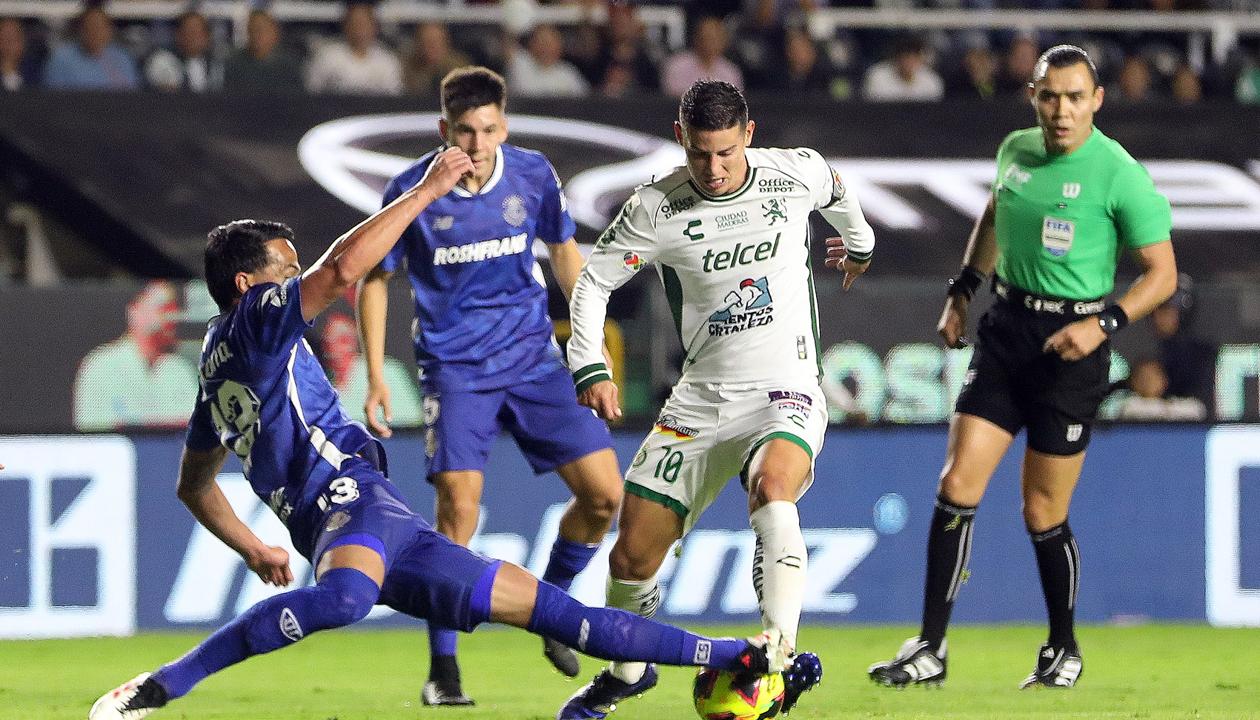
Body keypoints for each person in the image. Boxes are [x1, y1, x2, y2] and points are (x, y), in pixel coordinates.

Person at [88, 151, 807, 720]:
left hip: (373, 519)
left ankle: (743, 655)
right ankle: (158, 688)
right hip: (350, 508)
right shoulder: (259, 318)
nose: (296, 276)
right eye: (285, 267)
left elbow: (194, 483)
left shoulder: (220, 369)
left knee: (566, 618)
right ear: (251, 286)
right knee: (341, 600)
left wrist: (253, 546)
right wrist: (429, 191)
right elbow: (341, 270)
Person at [867, 45, 1177, 690]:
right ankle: (929, 648)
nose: (1061, 111)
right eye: (1049, 97)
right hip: (1007, 330)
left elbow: (1162, 274)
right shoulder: (1015, 151)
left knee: (1042, 512)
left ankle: (1063, 647)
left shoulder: (1119, 174)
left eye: (1074, 97)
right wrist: (963, 288)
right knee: (956, 485)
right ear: (1033, 98)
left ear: (1097, 100)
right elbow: (993, 214)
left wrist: (1103, 325)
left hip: (1073, 345)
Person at [558, 78, 870, 719]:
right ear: (682, 140)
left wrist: (858, 241)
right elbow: (593, 283)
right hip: (699, 400)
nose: (716, 168)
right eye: (701, 154)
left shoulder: (794, 175)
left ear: (748, 135)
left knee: (774, 489)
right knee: (632, 555)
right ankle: (629, 671)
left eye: (727, 152)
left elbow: (838, 191)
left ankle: (777, 660)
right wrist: (590, 364)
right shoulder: (656, 208)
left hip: (785, 388)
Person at [355, 66, 623, 706]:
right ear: (442, 128)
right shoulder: (410, 189)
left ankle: (553, 612)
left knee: (605, 497)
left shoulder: (532, 175)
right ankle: (443, 669)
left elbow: (564, 253)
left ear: (504, 125)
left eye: (490, 130)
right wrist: (373, 376)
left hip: (534, 363)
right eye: (466, 132)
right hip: (455, 372)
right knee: (458, 513)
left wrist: (589, 353)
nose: (479, 145)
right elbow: (374, 277)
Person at [74, 280, 199, 431]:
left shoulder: (181, 371)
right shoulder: (101, 366)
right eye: (162, 306)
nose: (170, 315)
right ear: (134, 311)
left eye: (174, 308)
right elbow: (92, 433)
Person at [305, 1, 402, 96]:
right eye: (355, 23)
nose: (359, 29)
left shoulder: (387, 61)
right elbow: (312, 92)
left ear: (374, 26)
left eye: (364, 23)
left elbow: (394, 98)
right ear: (345, 25)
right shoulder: (327, 56)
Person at [43, 5, 139, 90]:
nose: (95, 33)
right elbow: (53, 101)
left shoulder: (122, 59)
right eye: (90, 28)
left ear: (109, 31)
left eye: (100, 28)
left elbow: (132, 97)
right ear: (81, 31)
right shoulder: (61, 60)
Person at [223, 9, 303, 94]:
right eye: (252, 30)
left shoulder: (289, 66)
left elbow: (297, 100)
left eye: (261, 30)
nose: (257, 35)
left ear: (275, 33)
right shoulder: (234, 64)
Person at [661, 16, 743, 97]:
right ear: (696, 38)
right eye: (707, 37)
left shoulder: (731, 72)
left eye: (715, 38)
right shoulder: (676, 66)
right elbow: (674, 100)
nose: (711, 43)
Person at [144, 10, 223, 92]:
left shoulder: (216, 63)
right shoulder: (162, 60)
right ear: (178, 35)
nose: (194, 38)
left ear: (207, 37)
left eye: (198, 33)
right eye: (190, 32)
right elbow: (168, 92)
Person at [862, 35, 945, 102]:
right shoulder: (877, 77)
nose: (910, 61)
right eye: (906, 56)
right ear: (896, 58)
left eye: (914, 57)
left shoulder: (931, 81)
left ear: (920, 59)